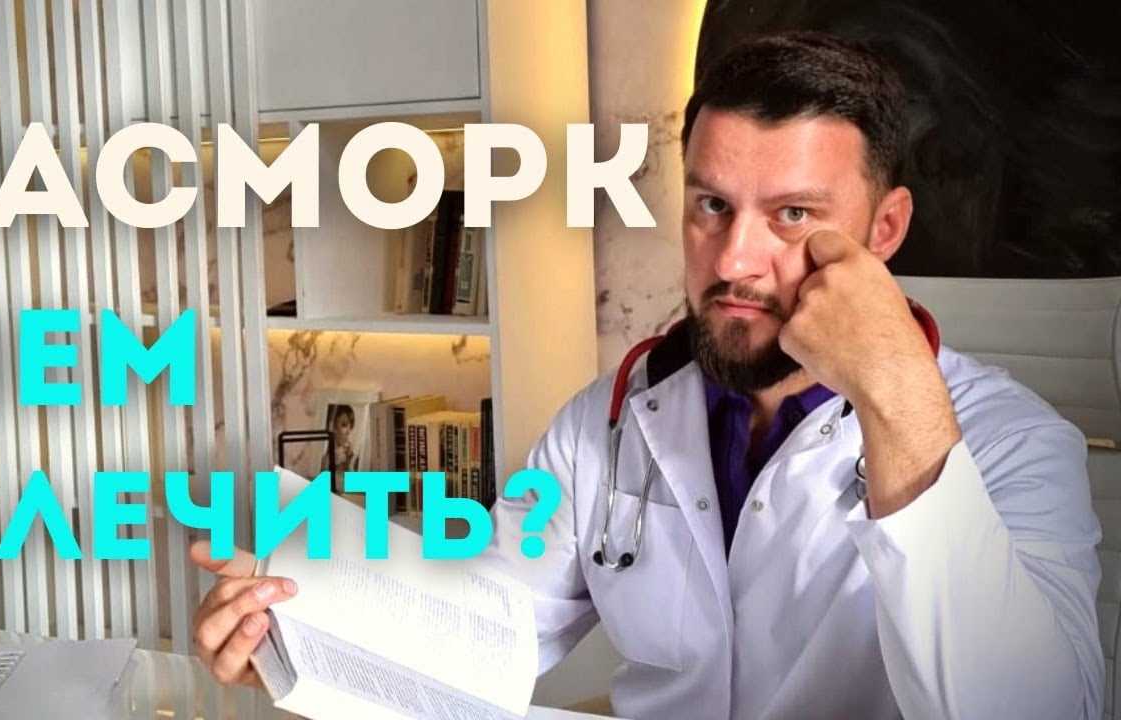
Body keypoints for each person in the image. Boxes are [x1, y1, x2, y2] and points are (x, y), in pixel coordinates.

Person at [188, 32, 1104, 719]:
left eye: (791, 214)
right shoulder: (607, 422)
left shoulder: (1017, 444)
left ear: (886, 228)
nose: (733, 259)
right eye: (711, 205)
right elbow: (485, 628)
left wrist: (895, 393)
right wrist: (298, 628)